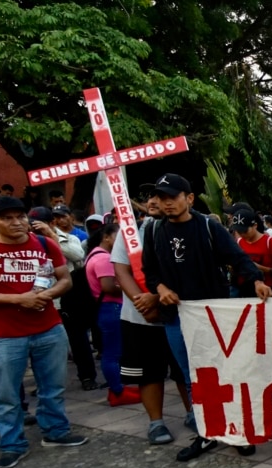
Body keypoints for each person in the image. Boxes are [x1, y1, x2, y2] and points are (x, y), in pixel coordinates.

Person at [141, 174, 271, 460]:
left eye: (172, 197)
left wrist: (256, 281)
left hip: (212, 315)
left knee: (226, 373)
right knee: (192, 378)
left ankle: (237, 431)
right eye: (161, 198)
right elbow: (149, 271)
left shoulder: (208, 227)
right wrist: (161, 288)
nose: (166, 203)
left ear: (188, 198)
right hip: (176, 317)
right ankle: (207, 432)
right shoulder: (153, 231)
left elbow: (238, 258)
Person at [0, 196, 87, 468]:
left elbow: (65, 278)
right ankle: (11, 444)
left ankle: (56, 431)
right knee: (6, 394)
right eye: (7, 218)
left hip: (48, 329)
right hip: (2, 335)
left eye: (20, 216)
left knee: (53, 387)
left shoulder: (44, 243)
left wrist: (47, 294)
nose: (16, 223)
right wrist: (20, 300)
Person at [114, 187, 193, 445]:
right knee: (149, 373)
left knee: (185, 369)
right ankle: (156, 422)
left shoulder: (187, 229)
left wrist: (159, 299)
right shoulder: (131, 233)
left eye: (162, 197)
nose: (154, 201)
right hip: (140, 317)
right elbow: (122, 271)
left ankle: (193, 411)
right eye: (150, 197)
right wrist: (143, 303)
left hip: (179, 312)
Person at [29, 206, 97, 390]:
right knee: (40, 344)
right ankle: (43, 383)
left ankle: (87, 376)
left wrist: (52, 237)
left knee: (78, 339)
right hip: (41, 297)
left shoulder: (71, 238)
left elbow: (77, 255)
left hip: (69, 296)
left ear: (51, 223)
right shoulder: (26, 241)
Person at [84, 222, 139, 406]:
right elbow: (108, 286)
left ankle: (118, 388)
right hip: (112, 308)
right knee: (113, 353)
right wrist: (129, 285)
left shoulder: (95, 255)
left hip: (106, 309)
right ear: (107, 237)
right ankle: (118, 390)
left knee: (113, 351)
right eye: (118, 236)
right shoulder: (103, 259)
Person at [230, 209, 272, 298]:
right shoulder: (239, 242)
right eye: (239, 231)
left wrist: (260, 268)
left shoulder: (270, 242)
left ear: (255, 226)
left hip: (267, 289)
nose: (242, 234)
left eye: (245, 231)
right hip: (245, 290)